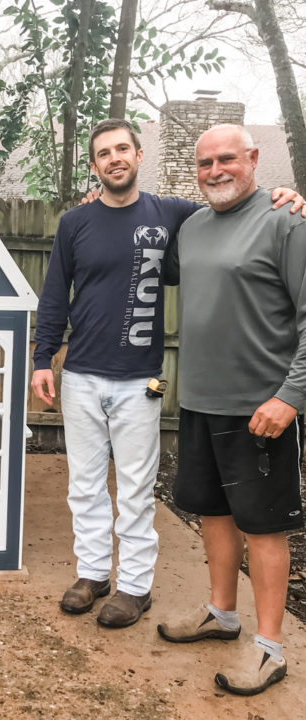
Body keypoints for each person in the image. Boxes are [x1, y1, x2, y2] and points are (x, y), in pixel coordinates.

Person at [31, 118, 304, 630]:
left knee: (135, 487)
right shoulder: (76, 222)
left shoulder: (176, 213)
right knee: (84, 485)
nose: (114, 158)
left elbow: (236, 209)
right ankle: (92, 574)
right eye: (103, 153)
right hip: (82, 376)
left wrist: (283, 195)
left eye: (122, 149)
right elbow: (54, 295)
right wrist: (42, 357)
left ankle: (135, 586)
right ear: (95, 166)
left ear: (138, 155)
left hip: (140, 380)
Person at [156, 124, 306, 696]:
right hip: (198, 402)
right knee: (213, 514)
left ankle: (268, 648)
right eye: (205, 163)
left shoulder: (285, 222)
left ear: (253, 159)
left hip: (262, 410)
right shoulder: (192, 228)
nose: (216, 171)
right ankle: (222, 613)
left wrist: (289, 397)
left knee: (264, 527)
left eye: (227, 160)